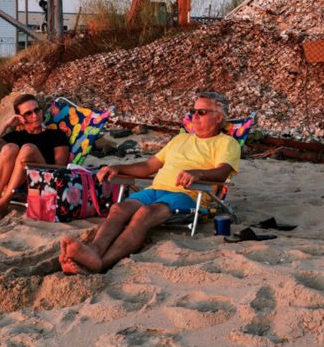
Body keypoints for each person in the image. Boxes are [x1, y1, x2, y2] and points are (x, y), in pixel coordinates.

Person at [59, 91, 240, 274]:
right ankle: (94, 251)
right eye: (192, 111)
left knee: (144, 213)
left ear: (218, 117)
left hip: (189, 194)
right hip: (155, 190)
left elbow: (223, 172)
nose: (194, 116)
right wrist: (119, 168)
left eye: (201, 112)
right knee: (118, 209)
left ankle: (102, 264)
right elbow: (148, 166)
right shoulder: (180, 139)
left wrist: (199, 173)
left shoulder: (226, 143)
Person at [0, 93, 69, 223]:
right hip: (17, 182)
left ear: (42, 111)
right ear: (20, 118)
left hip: (43, 179)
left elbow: (60, 169)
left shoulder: (56, 135)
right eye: (28, 113)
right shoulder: (16, 136)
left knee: (28, 149)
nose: (35, 115)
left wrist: (32, 155)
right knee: (9, 148)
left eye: (37, 110)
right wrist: (6, 125)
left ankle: (3, 204)